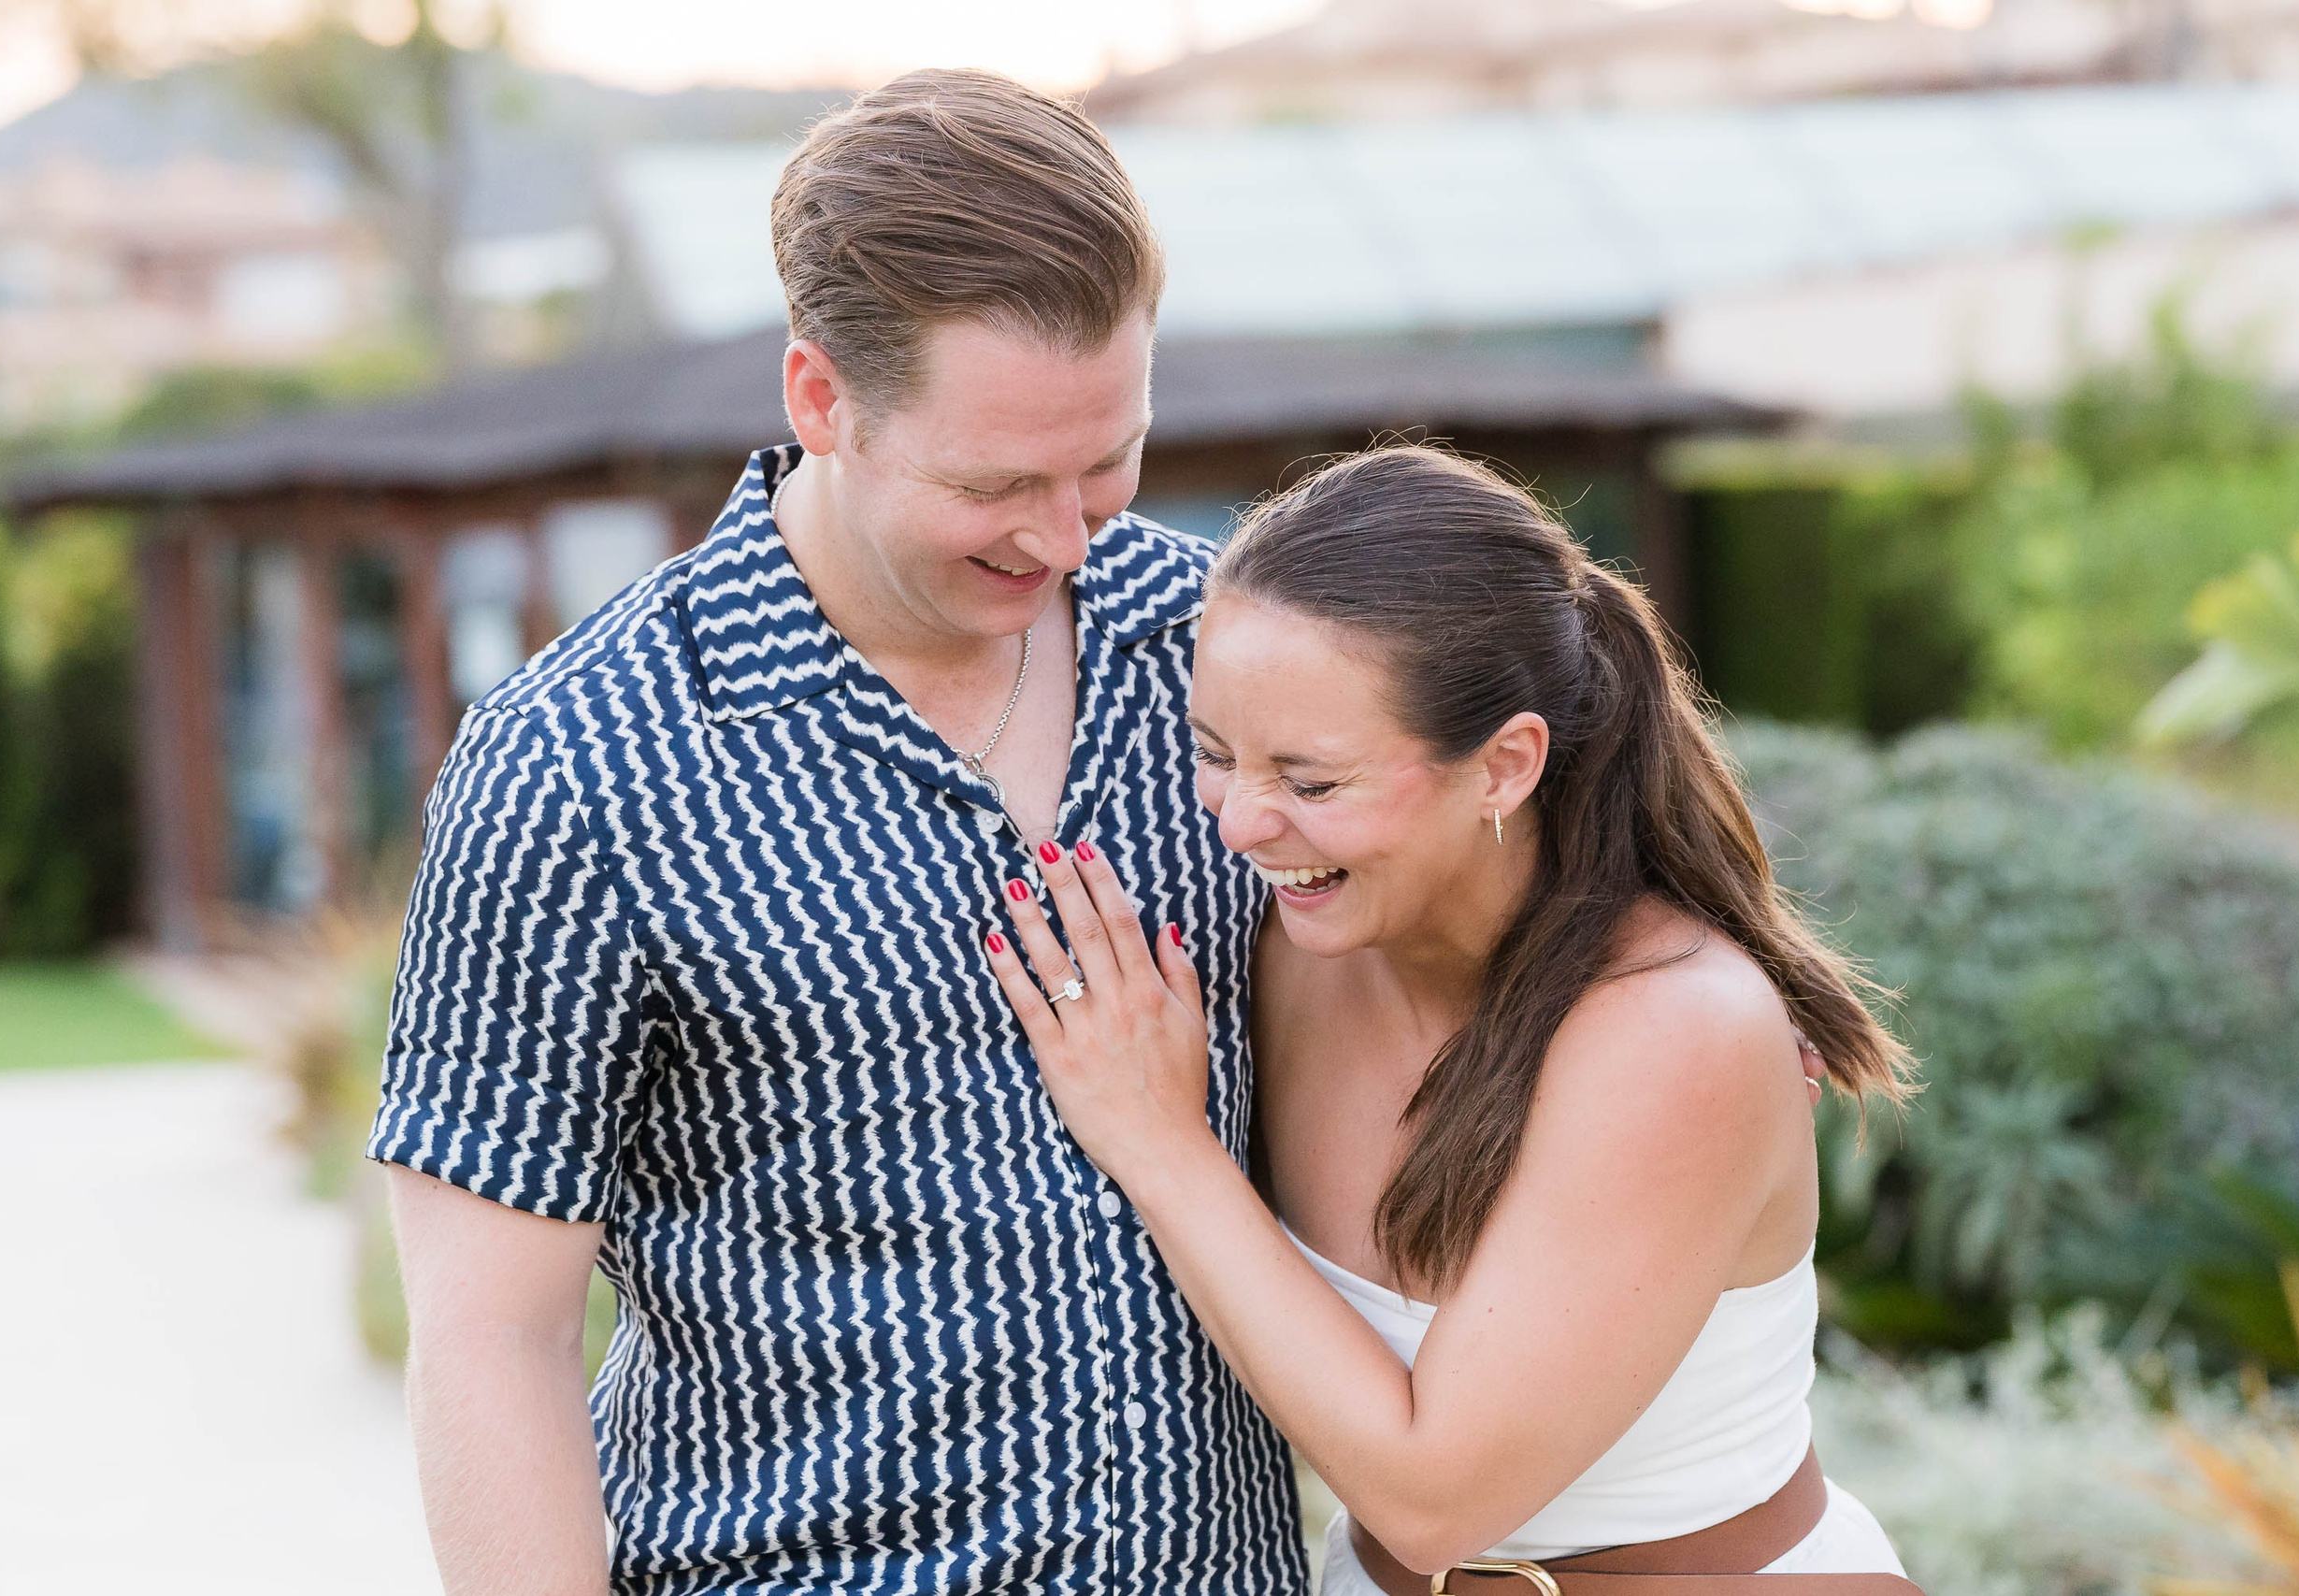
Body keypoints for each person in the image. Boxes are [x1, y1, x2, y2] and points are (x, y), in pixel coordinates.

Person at [367, 70, 1303, 1594]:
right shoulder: (575, 763)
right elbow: (492, 1335)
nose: (1067, 537)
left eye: (1111, 460)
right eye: (996, 481)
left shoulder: (1228, 651)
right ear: (822, 400)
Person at [984, 445, 1924, 1592]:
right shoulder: (1290, 946)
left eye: (1312, 781)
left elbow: (1433, 1501)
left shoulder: (1672, 1031)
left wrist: (1159, 1143)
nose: (1238, 823)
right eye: (1215, 752)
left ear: (1503, 766)